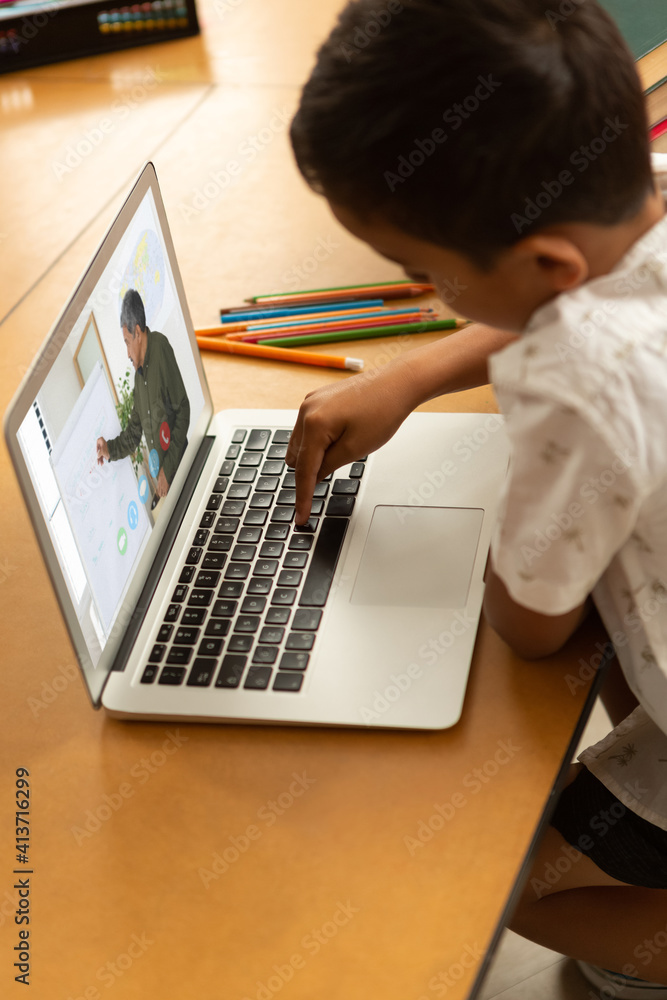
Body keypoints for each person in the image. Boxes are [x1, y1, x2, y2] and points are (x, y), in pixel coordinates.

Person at [284, 0, 667, 994]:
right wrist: (411, 378)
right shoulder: (646, 202)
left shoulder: (574, 385)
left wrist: (505, 543)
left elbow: (533, 624)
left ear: (543, 263)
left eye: (428, 275)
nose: (432, 293)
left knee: (503, 875)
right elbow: (590, 290)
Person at [96, 288, 190, 503]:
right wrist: (108, 449)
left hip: (184, 471)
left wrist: (166, 470)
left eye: (127, 342)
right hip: (169, 486)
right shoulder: (139, 379)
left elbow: (183, 409)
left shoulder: (160, 347)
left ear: (137, 333)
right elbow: (133, 434)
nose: (127, 352)